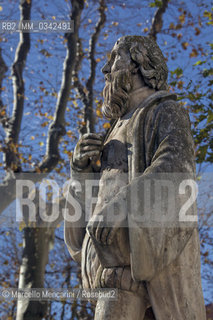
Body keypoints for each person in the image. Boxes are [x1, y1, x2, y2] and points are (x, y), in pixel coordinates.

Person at [64, 35, 206, 320]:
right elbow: (88, 213)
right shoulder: (112, 131)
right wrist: (80, 172)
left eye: (115, 57)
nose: (106, 69)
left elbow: (175, 168)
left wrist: (123, 205)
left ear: (139, 63)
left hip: (143, 263)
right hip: (108, 268)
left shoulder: (166, 110)